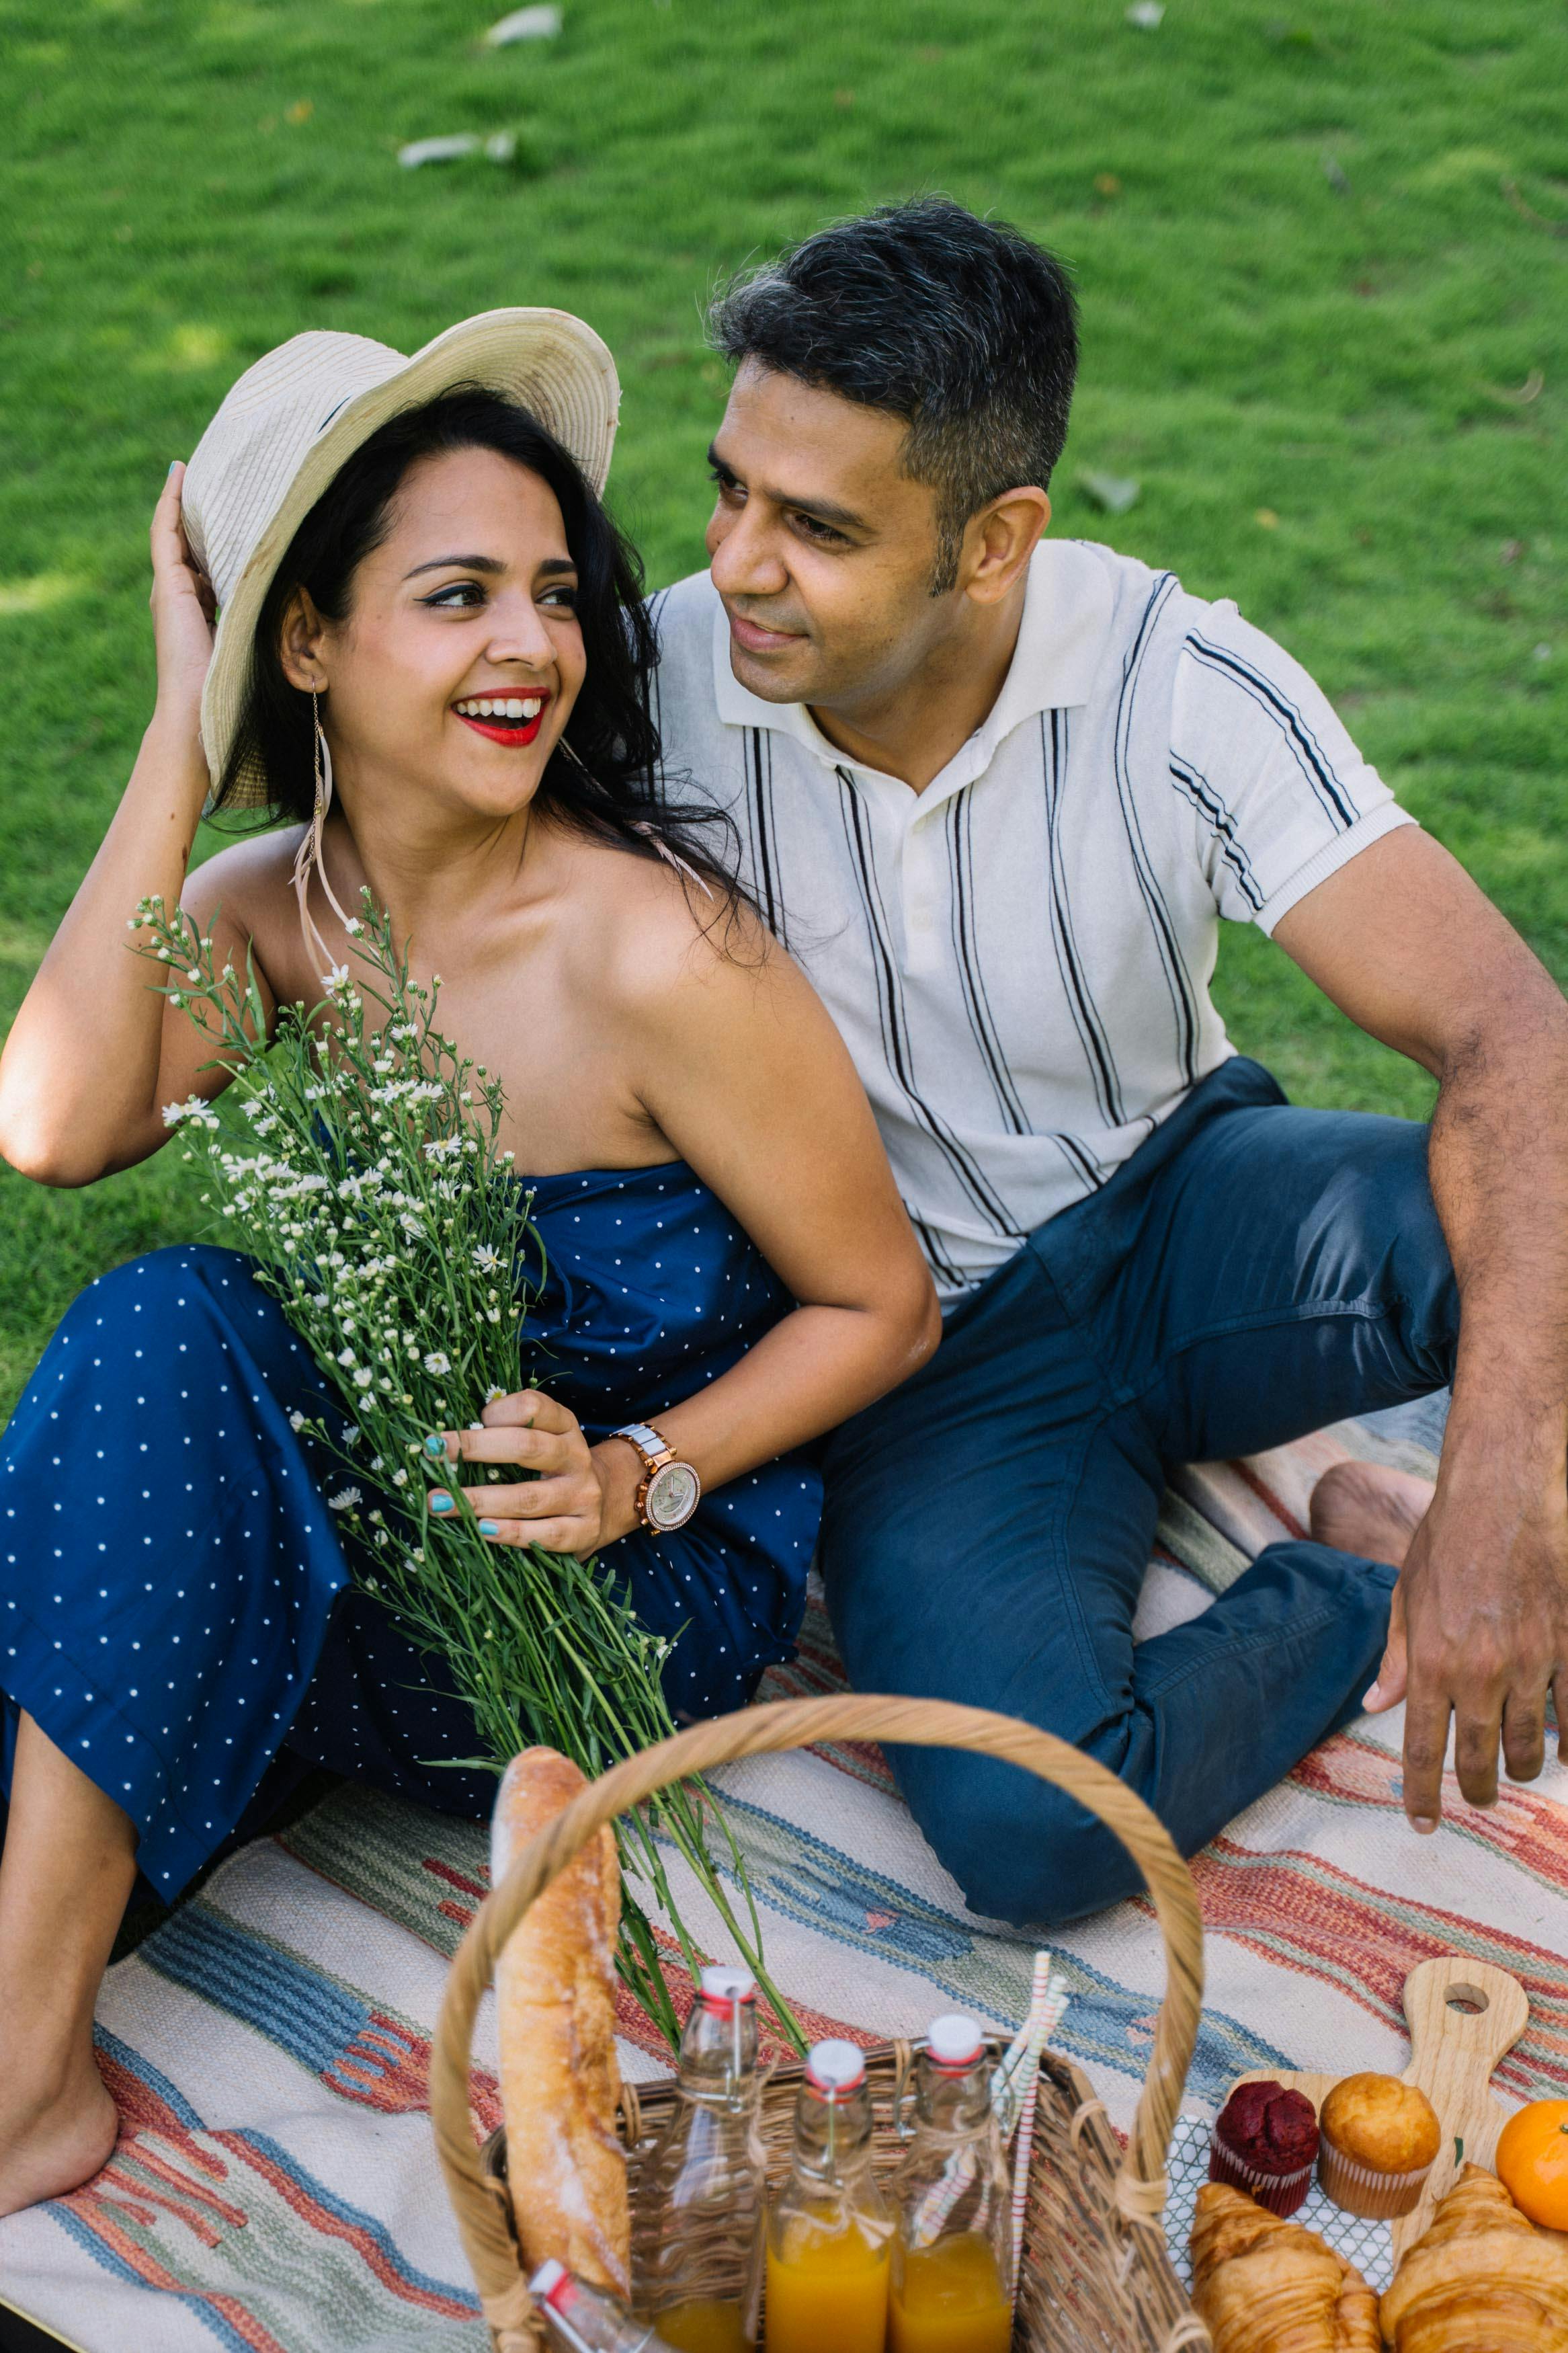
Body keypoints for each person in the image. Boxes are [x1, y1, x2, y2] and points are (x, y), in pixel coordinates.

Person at [0, 312, 940, 2213]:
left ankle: (21, 2075)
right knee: (156, 1348)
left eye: (549, 591)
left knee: (118, 1487)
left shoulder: (656, 953)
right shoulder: (276, 911)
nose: (532, 643)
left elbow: (881, 1302)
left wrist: (634, 1467)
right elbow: (53, 1124)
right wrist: (181, 729)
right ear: (310, 644)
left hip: (612, 1608)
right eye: (453, 597)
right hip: (369, 1515)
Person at [647, 197, 1568, 1928]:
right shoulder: (652, 690)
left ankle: (1460, 1521)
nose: (738, 562)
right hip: (921, 1354)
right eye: (732, 488)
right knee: (1040, 1833)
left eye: (818, 526)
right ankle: (1351, 1578)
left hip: (1187, 1211)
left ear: (994, 542)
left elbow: (1515, 1035)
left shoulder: (1179, 677)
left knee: (1543, 1212)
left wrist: (1508, 1491)